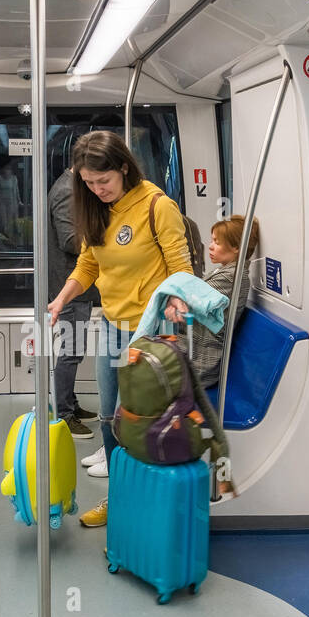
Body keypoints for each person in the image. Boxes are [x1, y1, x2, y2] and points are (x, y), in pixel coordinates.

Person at [46, 131, 192, 527]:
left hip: (152, 330)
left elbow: (181, 265)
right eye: (89, 183)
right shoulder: (95, 208)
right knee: (110, 417)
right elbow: (88, 264)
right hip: (113, 325)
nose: (97, 190)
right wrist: (62, 298)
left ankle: (153, 501)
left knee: (145, 419)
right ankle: (119, 498)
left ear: (123, 167)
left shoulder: (156, 206)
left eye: (103, 181)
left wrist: (178, 298)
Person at [169, 214, 259, 389]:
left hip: (201, 360)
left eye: (217, 243)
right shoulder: (224, 272)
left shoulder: (232, 278)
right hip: (194, 347)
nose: (210, 247)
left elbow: (194, 299)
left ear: (236, 248)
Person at [48, 165, 97, 440]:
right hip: (69, 284)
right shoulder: (68, 191)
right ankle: (64, 413)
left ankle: (70, 403)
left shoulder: (70, 186)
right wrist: (105, 239)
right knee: (70, 351)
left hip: (77, 285)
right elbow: (69, 240)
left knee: (73, 349)